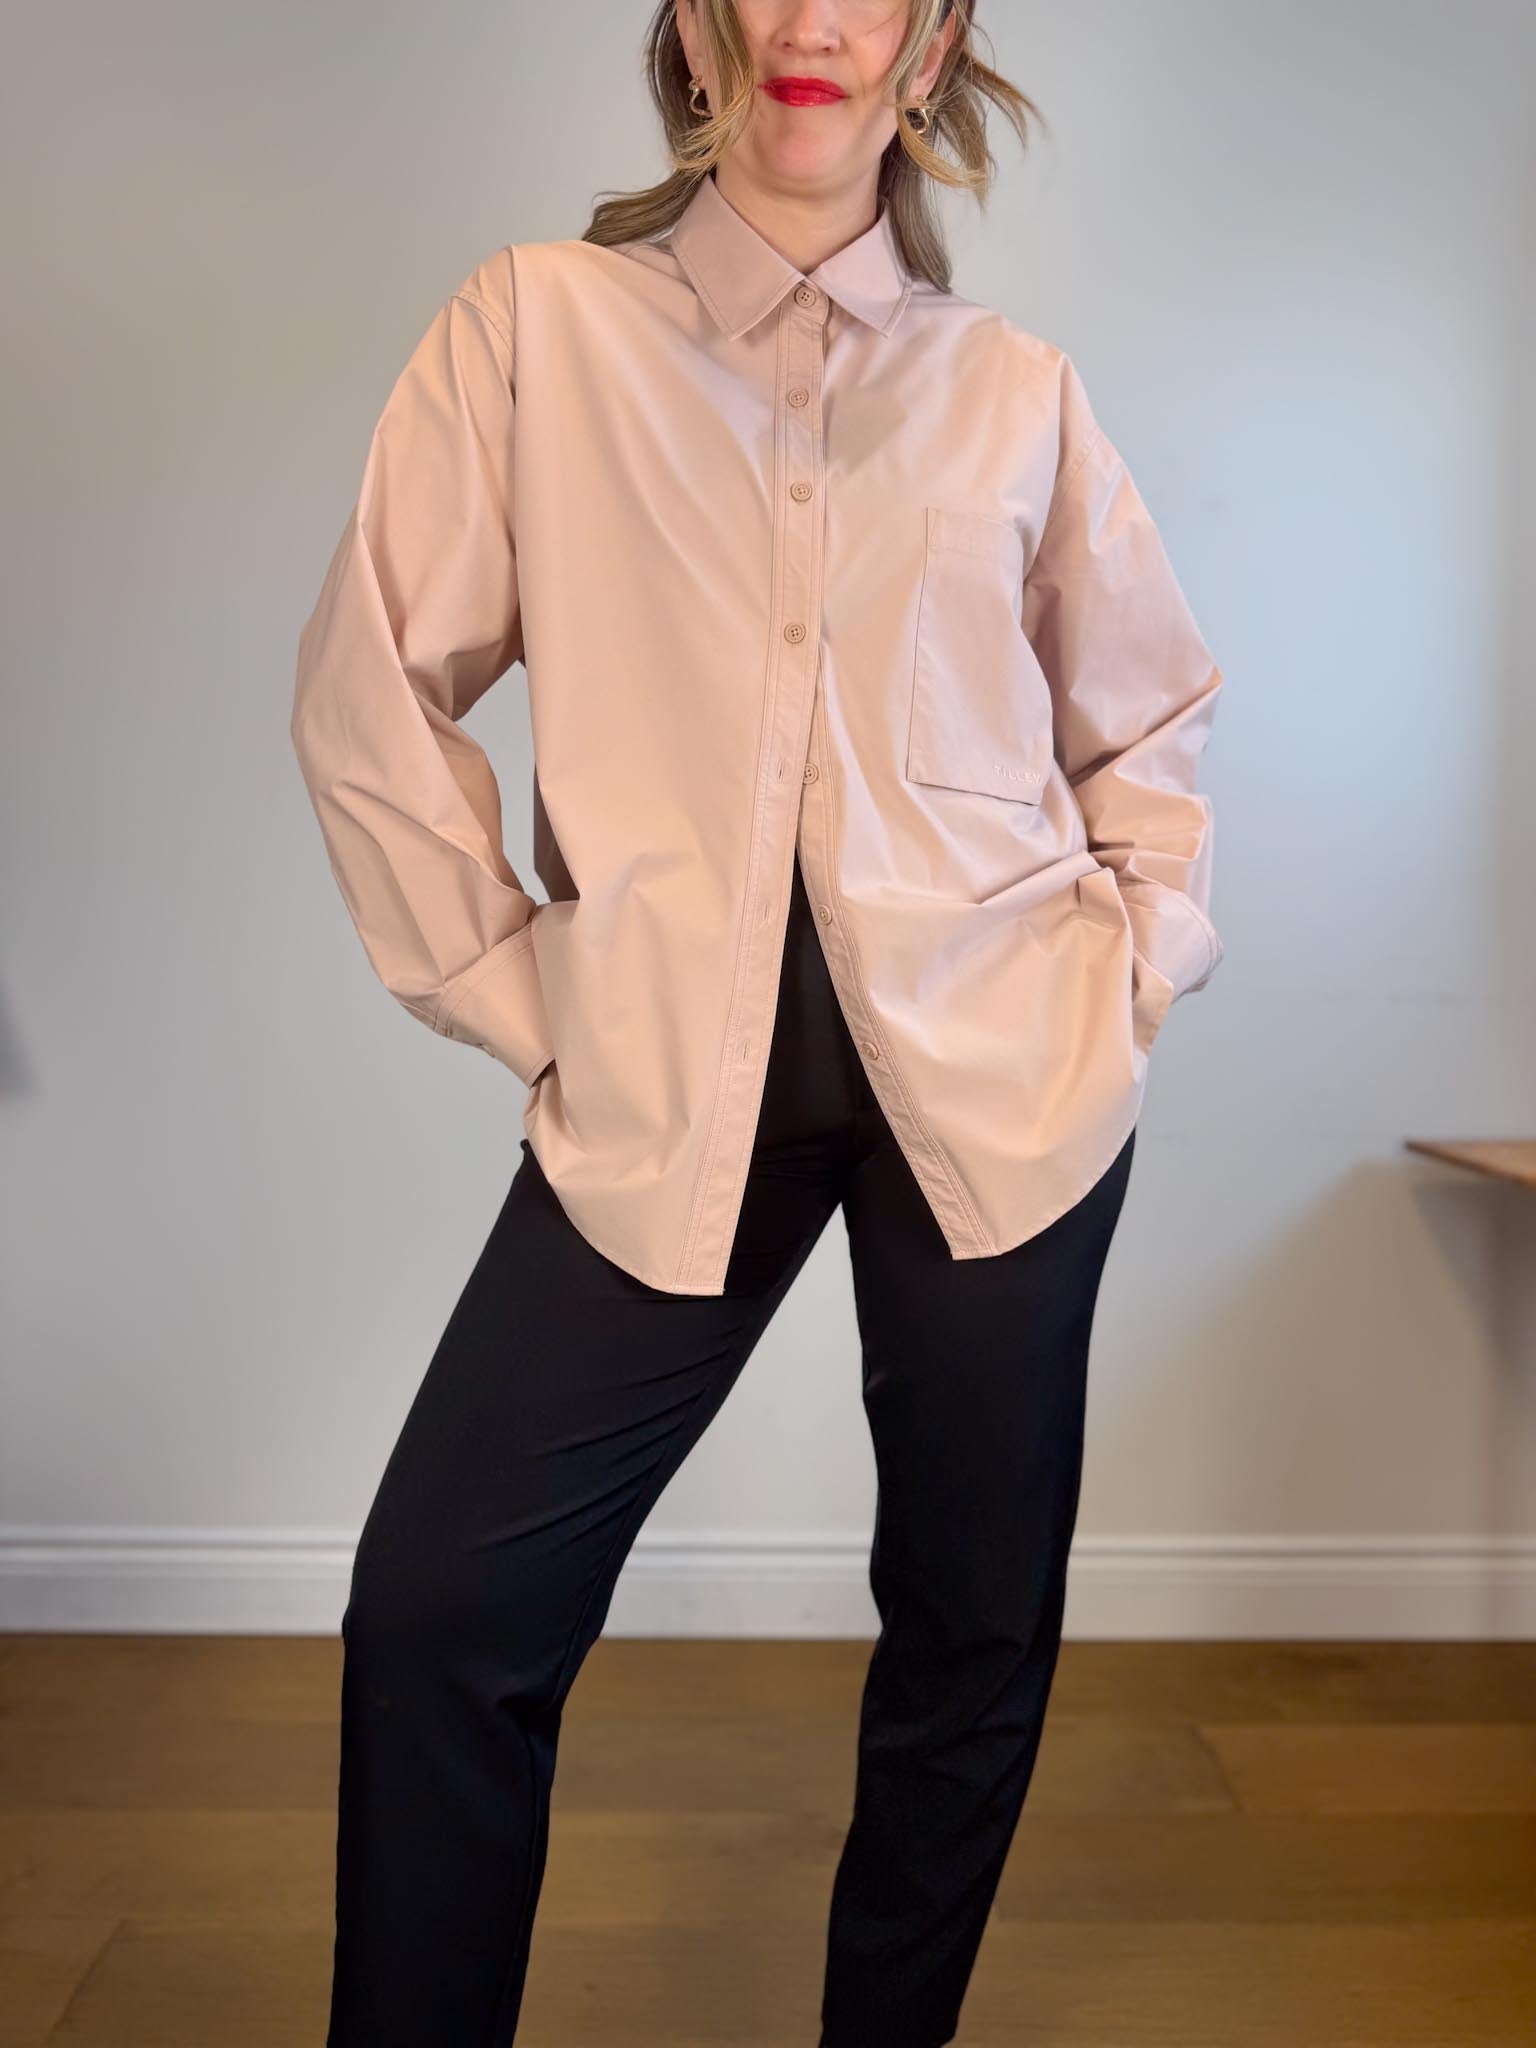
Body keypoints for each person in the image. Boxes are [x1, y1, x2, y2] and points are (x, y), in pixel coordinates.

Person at [290, 4, 1225, 2043]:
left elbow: (1145, 717)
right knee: (445, 1607)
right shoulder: (538, 331)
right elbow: (372, 695)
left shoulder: (1015, 391)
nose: (815, 18)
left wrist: (1137, 962)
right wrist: (530, 996)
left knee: (970, 1632)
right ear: (698, 24)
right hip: (665, 1086)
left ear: (931, 43)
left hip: (1007, 1082)